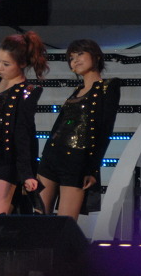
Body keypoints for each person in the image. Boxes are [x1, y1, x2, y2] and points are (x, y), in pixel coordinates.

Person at [37, 39, 120, 220]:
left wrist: (93, 168)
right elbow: (59, 125)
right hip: (51, 155)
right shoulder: (76, 91)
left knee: (66, 222)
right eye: (71, 58)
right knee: (39, 217)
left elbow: (105, 129)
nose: (75, 60)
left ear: (96, 56)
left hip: (77, 160)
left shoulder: (108, 86)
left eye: (80, 54)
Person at [0, 32, 48, 215]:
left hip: (4, 160)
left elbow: (23, 132)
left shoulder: (27, 91)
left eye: (6, 64)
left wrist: (27, 173)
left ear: (22, 64)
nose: (0, 67)